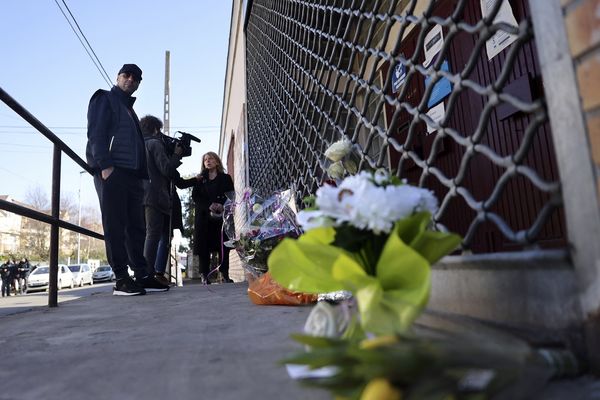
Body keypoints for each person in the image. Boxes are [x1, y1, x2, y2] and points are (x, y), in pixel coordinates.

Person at [86, 63, 169, 296]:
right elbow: (96, 132)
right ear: (118, 77)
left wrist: (143, 178)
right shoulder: (104, 98)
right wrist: (105, 165)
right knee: (115, 226)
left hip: (133, 176)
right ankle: (121, 279)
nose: (131, 79)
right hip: (112, 171)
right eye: (127, 75)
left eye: (136, 78)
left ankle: (142, 274)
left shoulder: (130, 110)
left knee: (136, 227)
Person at [140, 115, 183, 286]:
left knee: (148, 234)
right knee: (153, 234)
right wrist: (176, 155)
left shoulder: (138, 144)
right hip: (155, 195)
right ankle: (148, 275)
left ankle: (145, 273)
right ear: (155, 129)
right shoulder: (154, 143)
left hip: (141, 194)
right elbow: (167, 170)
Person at [183, 152, 234, 284]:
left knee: (223, 245)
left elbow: (231, 195)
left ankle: (224, 273)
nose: (208, 161)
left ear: (217, 161)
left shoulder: (225, 178)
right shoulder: (199, 179)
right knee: (204, 246)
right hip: (204, 217)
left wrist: (222, 205)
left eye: (210, 158)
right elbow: (196, 197)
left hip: (221, 217)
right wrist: (209, 205)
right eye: (205, 159)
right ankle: (204, 275)